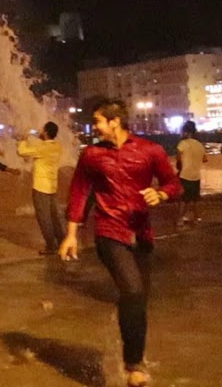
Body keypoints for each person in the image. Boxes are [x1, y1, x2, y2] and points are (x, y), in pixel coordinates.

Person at [60, 100, 181, 387]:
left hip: (142, 235)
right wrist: (71, 233)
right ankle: (134, 365)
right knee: (133, 290)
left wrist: (161, 194)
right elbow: (78, 192)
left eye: (99, 121)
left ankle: (132, 352)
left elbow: (174, 184)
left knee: (137, 302)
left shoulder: (151, 151)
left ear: (115, 121)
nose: (95, 126)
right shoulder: (91, 155)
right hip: (108, 231)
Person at [18, 122, 65, 254]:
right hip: (52, 186)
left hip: (40, 187)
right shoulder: (57, 146)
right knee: (54, 216)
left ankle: (51, 246)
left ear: (45, 132)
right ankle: (61, 241)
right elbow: (43, 146)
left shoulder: (42, 147)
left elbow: (22, 152)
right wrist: (41, 137)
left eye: (43, 130)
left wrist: (23, 139)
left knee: (43, 217)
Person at [175, 121, 207, 225]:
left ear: (186, 132)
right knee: (195, 199)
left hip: (185, 175)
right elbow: (205, 159)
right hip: (196, 176)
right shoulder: (199, 145)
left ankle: (180, 219)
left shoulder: (182, 143)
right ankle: (197, 218)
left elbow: (178, 160)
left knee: (183, 199)